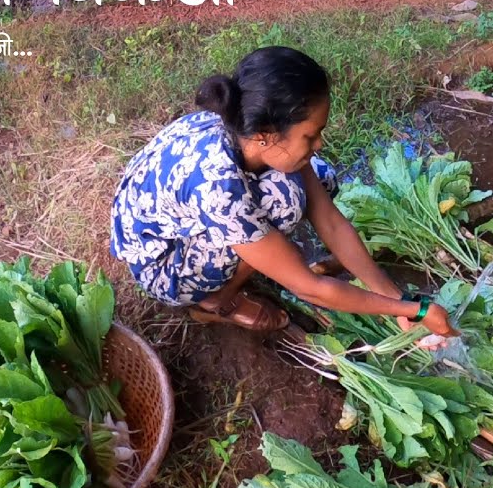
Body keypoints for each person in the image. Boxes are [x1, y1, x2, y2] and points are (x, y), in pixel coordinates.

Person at [110, 46, 460, 340]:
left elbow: (331, 223)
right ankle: (218, 301)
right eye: (311, 135)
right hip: (162, 262)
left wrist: (392, 296)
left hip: (182, 218)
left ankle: (260, 257)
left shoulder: (247, 127)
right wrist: (416, 309)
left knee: (314, 179)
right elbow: (309, 287)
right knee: (284, 204)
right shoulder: (219, 188)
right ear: (267, 133)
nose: (319, 142)